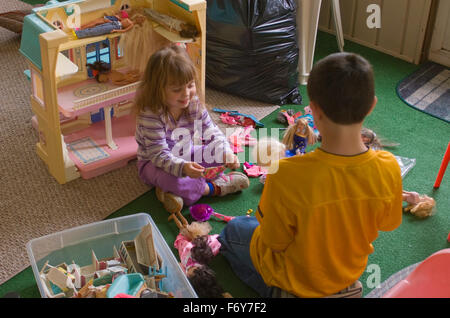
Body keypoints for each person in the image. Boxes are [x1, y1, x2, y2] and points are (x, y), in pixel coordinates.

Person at [218, 52, 403, 298]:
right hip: (344, 278)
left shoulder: (286, 173)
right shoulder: (388, 166)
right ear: (371, 106)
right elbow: (388, 223)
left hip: (297, 282)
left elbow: (274, 241)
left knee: (234, 231)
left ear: (313, 111)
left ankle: (280, 292)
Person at [134, 44, 249, 214]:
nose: (186, 93)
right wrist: (183, 168)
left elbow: (211, 131)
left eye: (190, 85)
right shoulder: (150, 114)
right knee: (174, 180)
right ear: (157, 89)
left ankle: (176, 193)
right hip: (153, 163)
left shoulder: (193, 103)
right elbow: (158, 155)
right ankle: (213, 188)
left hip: (187, 153)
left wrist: (226, 153)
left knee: (218, 153)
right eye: (176, 89)